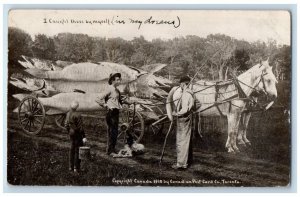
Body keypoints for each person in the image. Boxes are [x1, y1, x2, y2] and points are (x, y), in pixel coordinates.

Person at [95, 73, 133, 157]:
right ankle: (110, 151)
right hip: (111, 113)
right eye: (117, 79)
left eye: (120, 79)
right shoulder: (109, 89)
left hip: (116, 112)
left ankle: (112, 149)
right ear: (112, 80)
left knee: (114, 132)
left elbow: (119, 101)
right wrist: (105, 105)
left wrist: (130, 102)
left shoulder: (116, 90)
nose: (119, 81)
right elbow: (98, 98)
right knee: (112, 132)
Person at [171, 76, 195, 169]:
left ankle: (181, 164)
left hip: (183, 118)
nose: (180, 86)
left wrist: (176, 113)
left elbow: (184, 109)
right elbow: (197, 104)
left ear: (184, 84)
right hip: (188, 118)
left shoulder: (186, 94)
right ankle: (188, 161)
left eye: (181, 84)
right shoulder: (191, 93)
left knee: (181, 141)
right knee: (187, 140)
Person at [64, 101, 87, 173]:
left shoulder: (68, 114)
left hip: (71, 133)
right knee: (77, 150)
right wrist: (84, 137)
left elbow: (66, 125)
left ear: (71, 106)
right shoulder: (77, 115)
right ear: (77, 107)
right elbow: (81, 128)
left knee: (72, 150)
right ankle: (76, 168)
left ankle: (70, 167)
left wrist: (69, 131)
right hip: (77, 134)